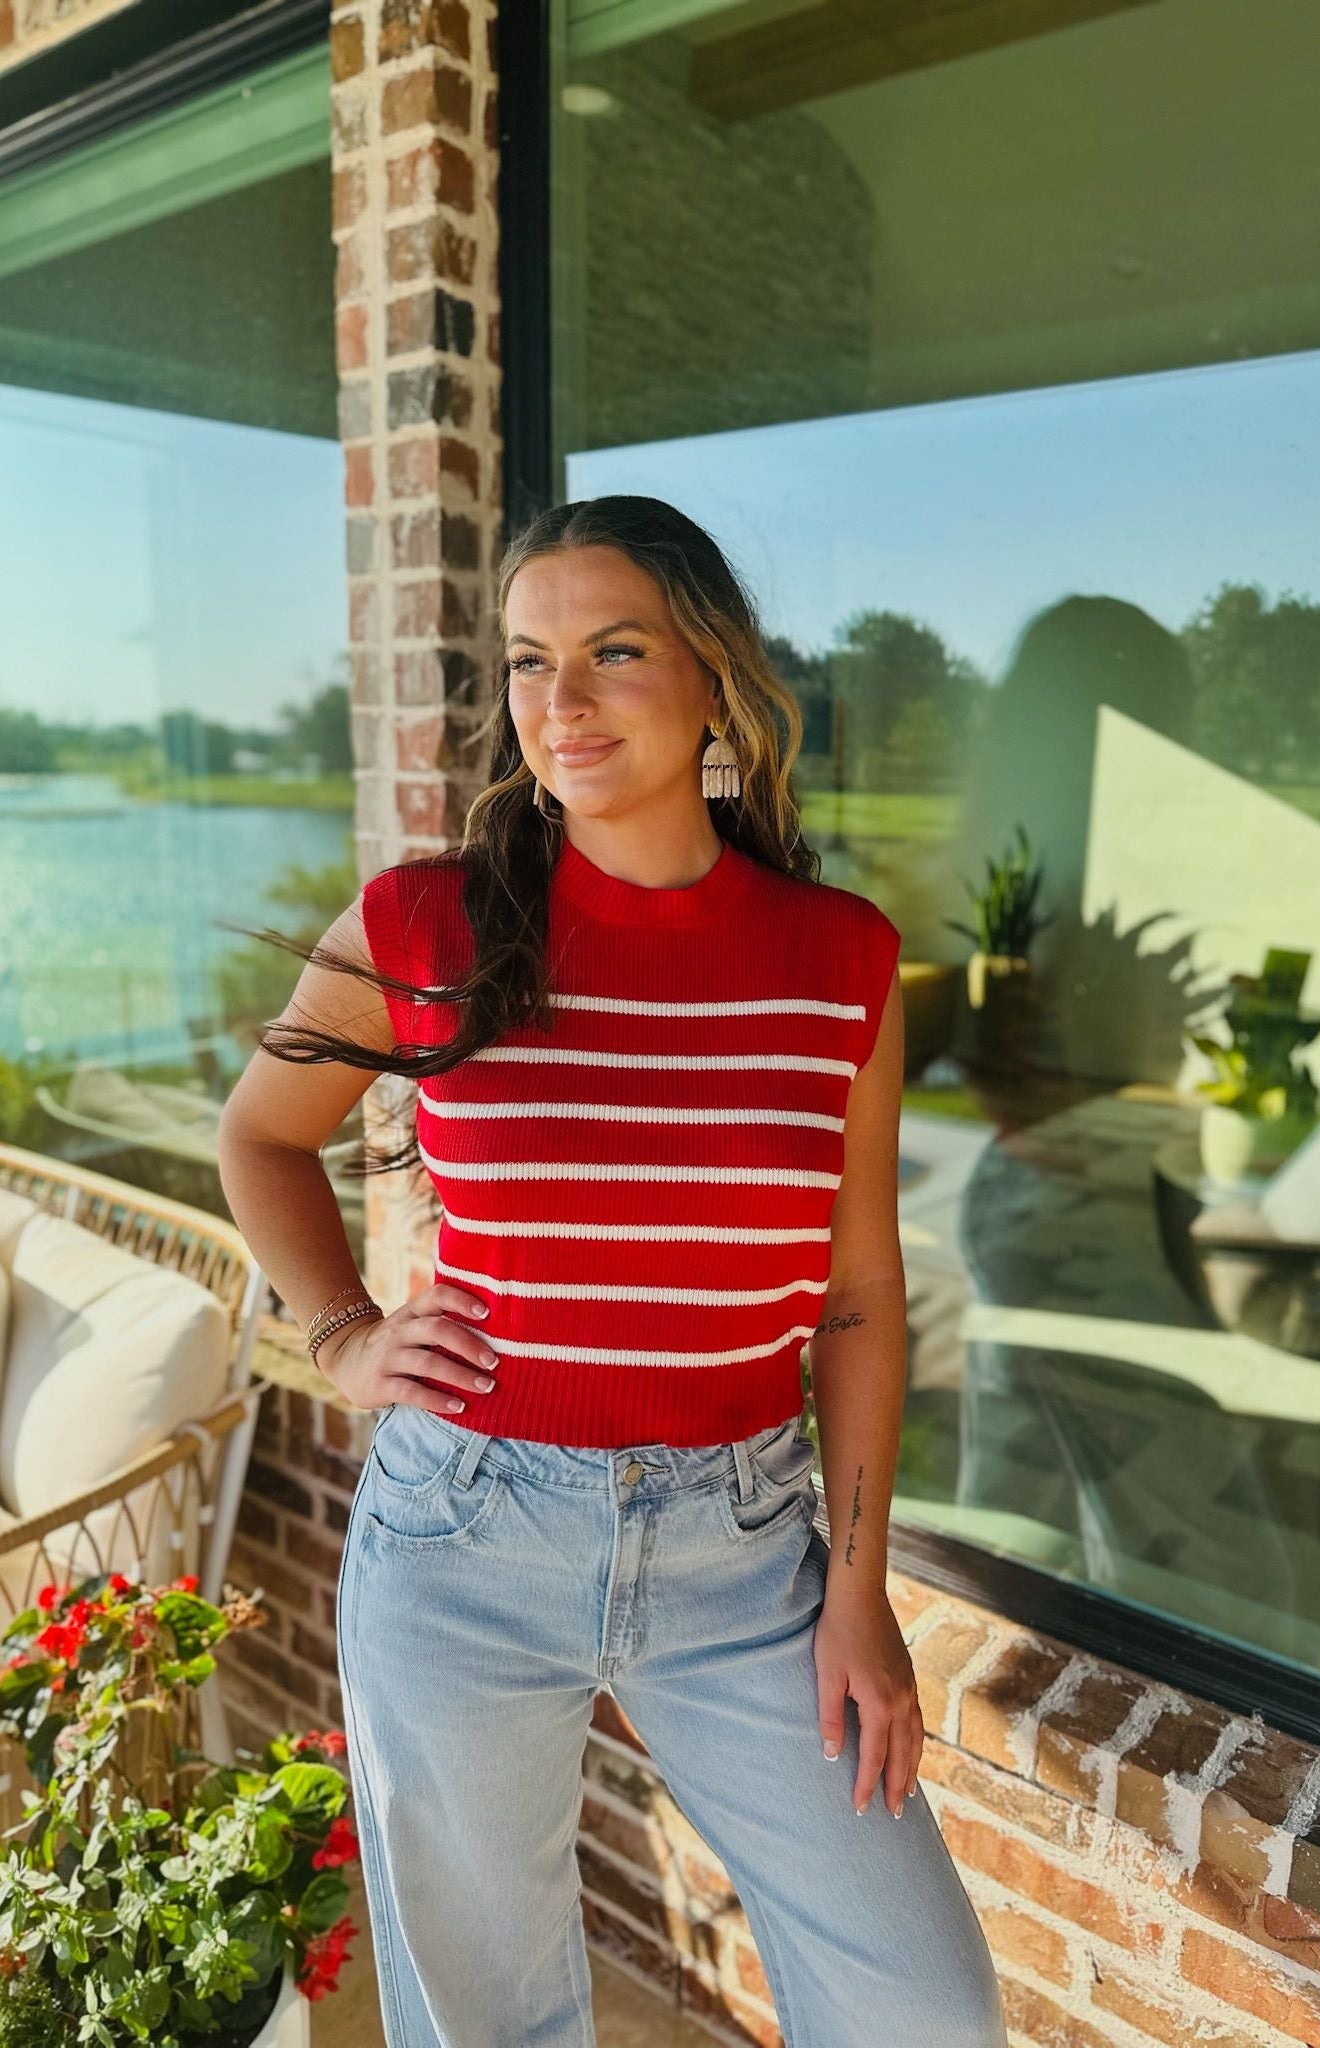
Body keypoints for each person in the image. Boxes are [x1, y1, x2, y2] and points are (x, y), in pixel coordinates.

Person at [217, 495, 1007, 2048]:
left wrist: (858, 1595)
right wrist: (346, 1334)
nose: (558, 703)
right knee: (489, 2018)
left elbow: (856, 1299)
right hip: (464, 1537)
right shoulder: (429, 918)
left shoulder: (839, 956)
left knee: (923, 2002)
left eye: (613, 652)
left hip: (748, 1552)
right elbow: (260, 1137)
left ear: (714, 676)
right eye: (527, 661)